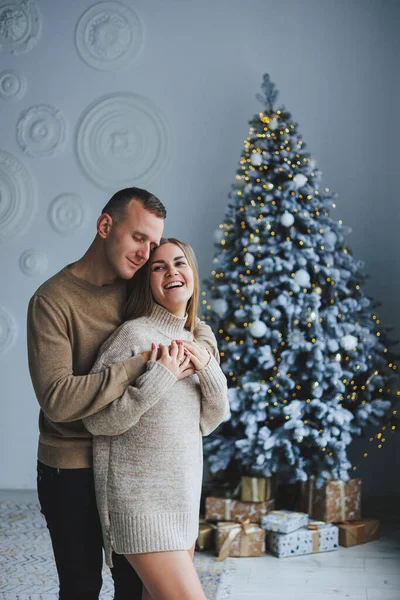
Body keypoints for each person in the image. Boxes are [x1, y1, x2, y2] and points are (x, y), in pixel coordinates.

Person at [27, 189, 220, 600]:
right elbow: (57, 398)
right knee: (81, 586)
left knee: (136, 589)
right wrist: (140, 366)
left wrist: (199, 346)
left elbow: (181, 319)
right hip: (73, 466)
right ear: (104, 226)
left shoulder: (135, 286)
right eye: (139, 238)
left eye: (153, 243)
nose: (146, 253)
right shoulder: (52, 301)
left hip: (134, 472)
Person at [83, 238, 230, 600]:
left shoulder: (193, 339)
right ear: (147, 281)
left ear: (193, 273)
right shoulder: (133, 336)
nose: (171, 272)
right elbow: (97, 422)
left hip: (181, 500)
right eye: (158, 267)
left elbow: (211, 419)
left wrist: (206, 365)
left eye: (179, 263)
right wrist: (160, 376)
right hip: (139, 503)